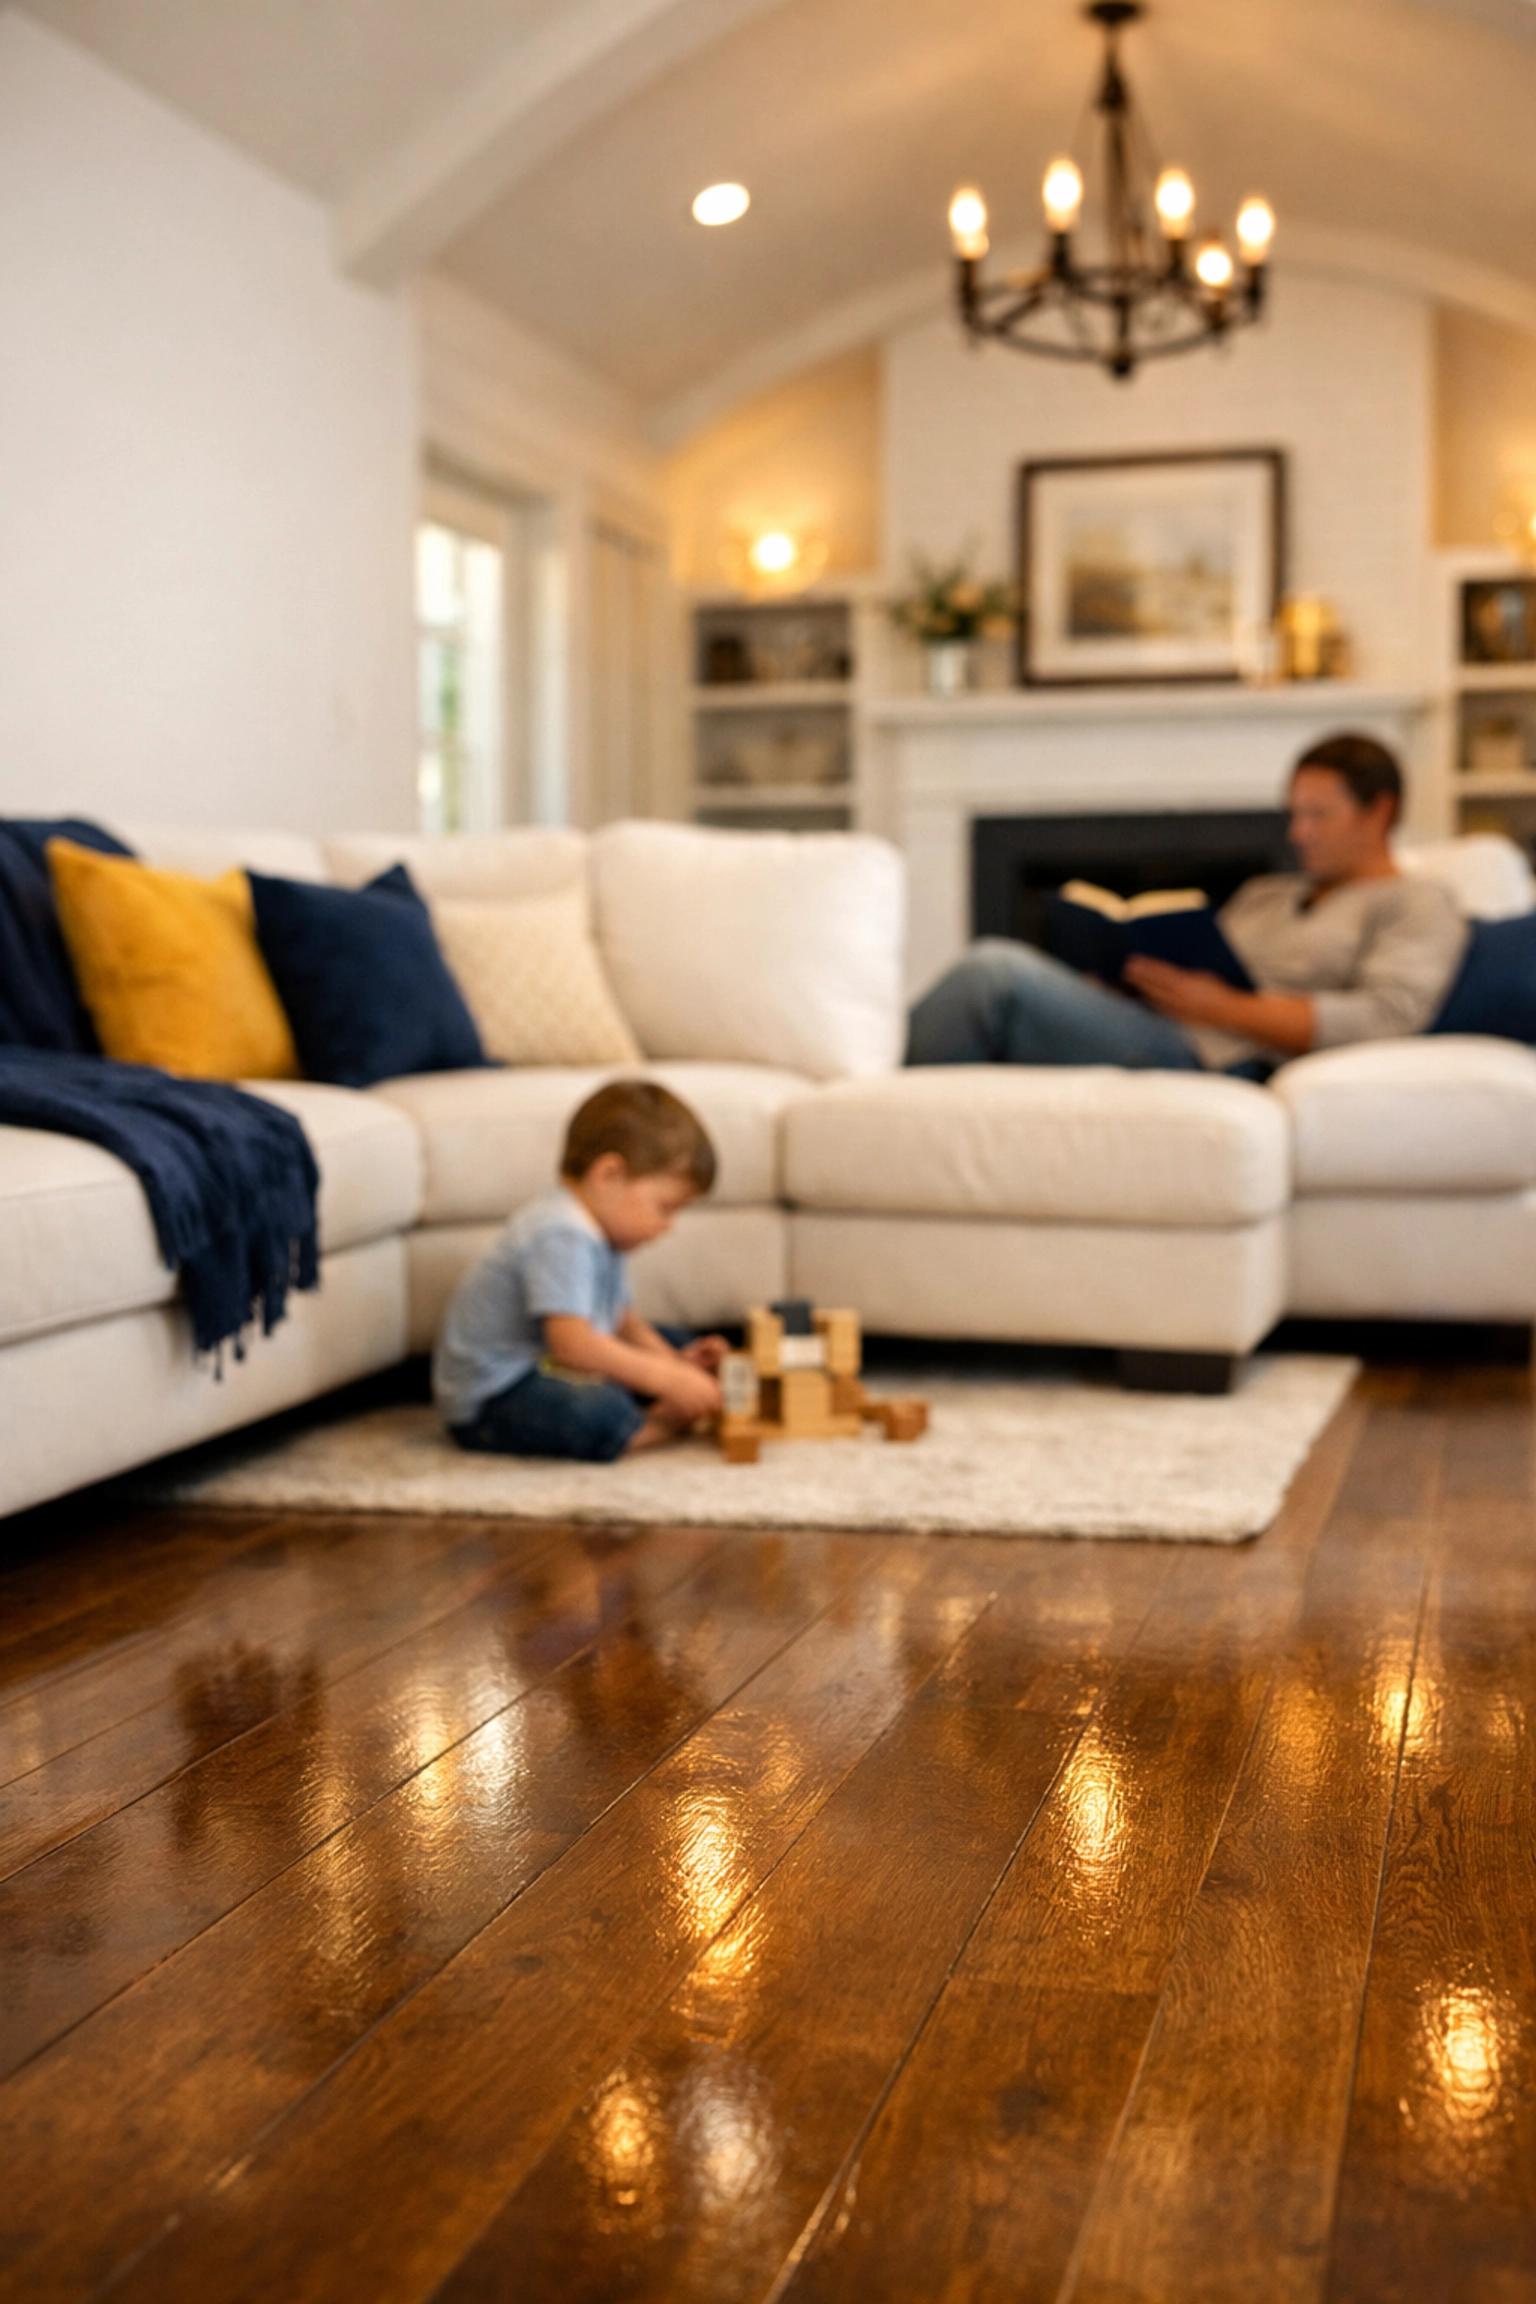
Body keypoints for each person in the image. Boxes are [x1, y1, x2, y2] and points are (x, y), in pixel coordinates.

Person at [905, 732, 1470, 1078]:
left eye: (1318, 815)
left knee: (994, 975)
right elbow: (1198, 968)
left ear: (1380, 812)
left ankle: (866, 1112)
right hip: (1160, 1024)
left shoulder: (1416, 903)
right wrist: (1132, 983)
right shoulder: (1267, 894)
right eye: (1294, 813)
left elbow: (1386, 1017)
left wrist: (1222, 1008)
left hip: (1217, 1056)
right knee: (1007, 982)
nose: (1298, 833)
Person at [435, 1079, 726, 1462]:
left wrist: (673, 1364)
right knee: (599, 1411)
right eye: (665, 1207)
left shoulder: (605, 1230)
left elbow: (620, 1320)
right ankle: (652, 1426)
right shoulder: (561, 1233)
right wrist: (668, 1382)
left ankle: (664, 1394)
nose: (667, 1226)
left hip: (550, 1364)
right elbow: (573, 1345)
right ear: (608, 1175)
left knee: (672, 1339)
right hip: (493, 1396)